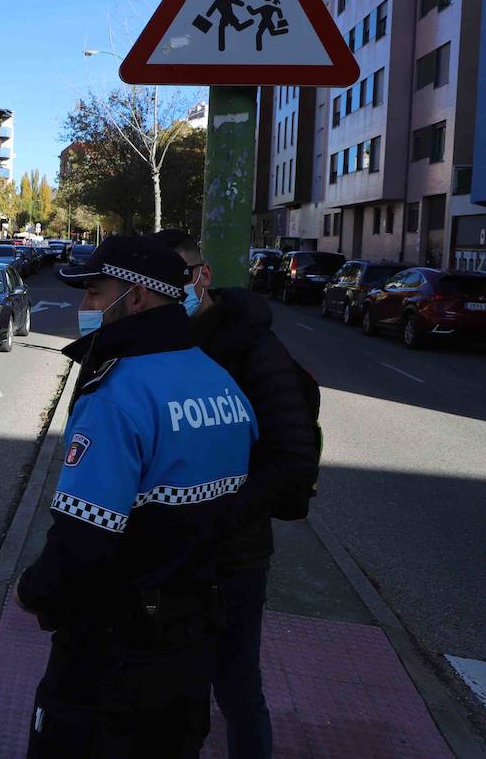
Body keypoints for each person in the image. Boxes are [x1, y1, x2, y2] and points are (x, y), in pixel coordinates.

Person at [16, 234, 256, 758]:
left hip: (114, 650)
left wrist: (35, 592)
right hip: (193, 643)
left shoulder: (118, 394)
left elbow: (83, 540)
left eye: (96, 294)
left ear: (138, 297)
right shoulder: (221, 384)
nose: (85, 308)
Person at [155, 229, 321, 759]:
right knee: (171, 688)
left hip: (234, 558)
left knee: (237, 688)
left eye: (176, 278)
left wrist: (219, 517)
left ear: (202, 277)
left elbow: (293, 461)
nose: (167, 292)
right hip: (174, 554)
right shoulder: (166, 341)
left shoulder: (255, 348)